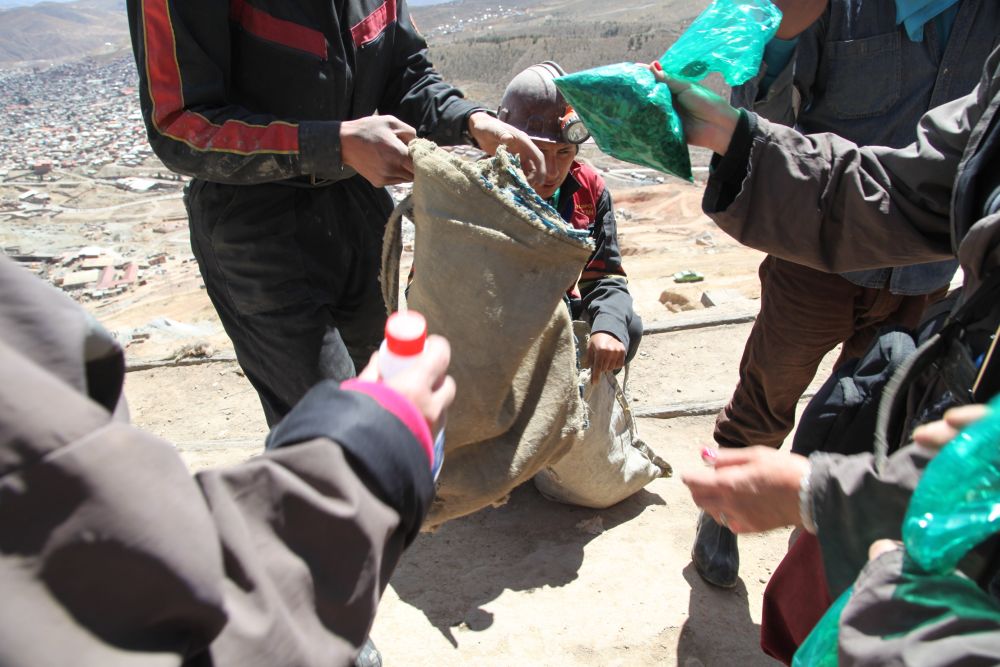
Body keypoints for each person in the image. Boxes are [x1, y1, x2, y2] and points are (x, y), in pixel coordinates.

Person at [650, 32, 1000, 662]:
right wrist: (737, 135)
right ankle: (727, 512)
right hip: (816, 260)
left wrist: (829, 495)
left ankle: (814, 537)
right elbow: (904, 186)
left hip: (918, 280)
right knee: (773, 387)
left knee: (855, 408)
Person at [0, 253, 454, 667]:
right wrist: (369, 452)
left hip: (344, 217)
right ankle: (329, 624)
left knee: (355, 375)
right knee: (313, 398)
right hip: (255, 234)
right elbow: (132, 582)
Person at [125, 0, 546, 427]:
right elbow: (179, 124)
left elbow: (405, 71)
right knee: (333, 425)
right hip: (255, 231)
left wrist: (470, 121)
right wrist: (333, 144)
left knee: (389, 402)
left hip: (356, 207)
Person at [496, 61, 643, 381]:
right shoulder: (476, 187)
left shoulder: (588, 188)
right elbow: (423, 288)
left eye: (563, 153)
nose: (550, 171)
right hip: (492, 322)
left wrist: (608, 329)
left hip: (557, 309)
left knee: (626, 327)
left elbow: (604, 276)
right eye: (537, 151)